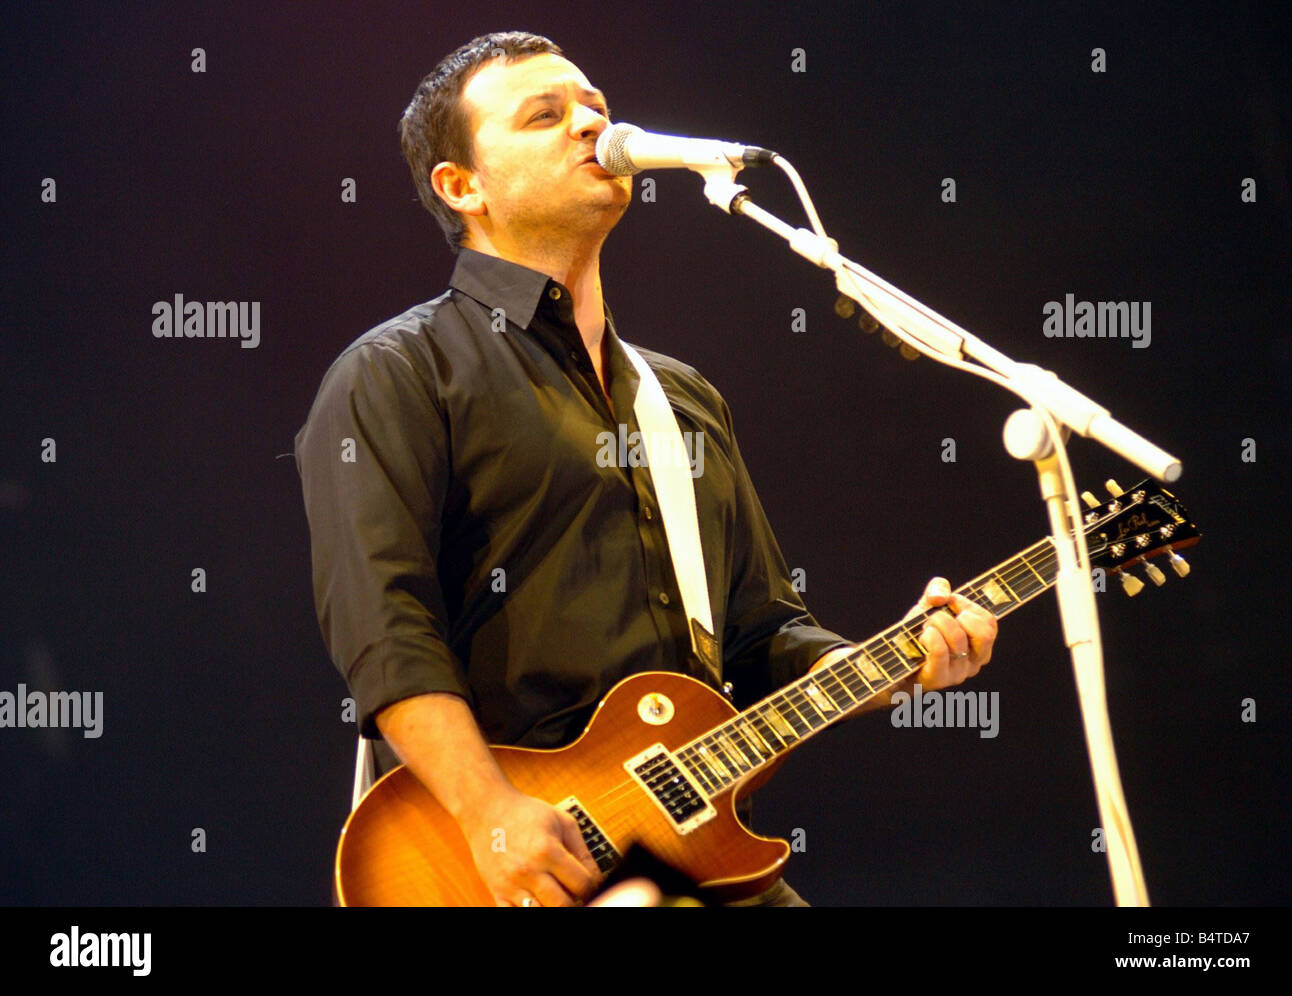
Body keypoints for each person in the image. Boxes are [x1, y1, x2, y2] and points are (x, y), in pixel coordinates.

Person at [294, 30, 998, 908]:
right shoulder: (398, 372)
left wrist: (899, 662)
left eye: (595, 105)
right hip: (500, 855)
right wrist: (489, 813)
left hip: (691, 855)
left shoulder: (683, 399)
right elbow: (383, 627)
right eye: (545, 115)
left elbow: (763, 634)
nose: (590, 124)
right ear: (461, 185)